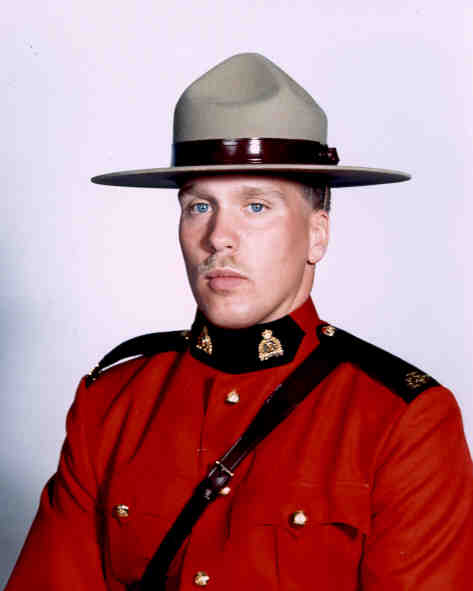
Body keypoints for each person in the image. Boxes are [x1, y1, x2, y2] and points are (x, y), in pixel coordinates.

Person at [6, 53, 473, 591]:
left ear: (317, 235)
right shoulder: (111, 404)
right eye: (199, 207)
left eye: (256, 206)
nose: (219, 238)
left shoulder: (401, 420)